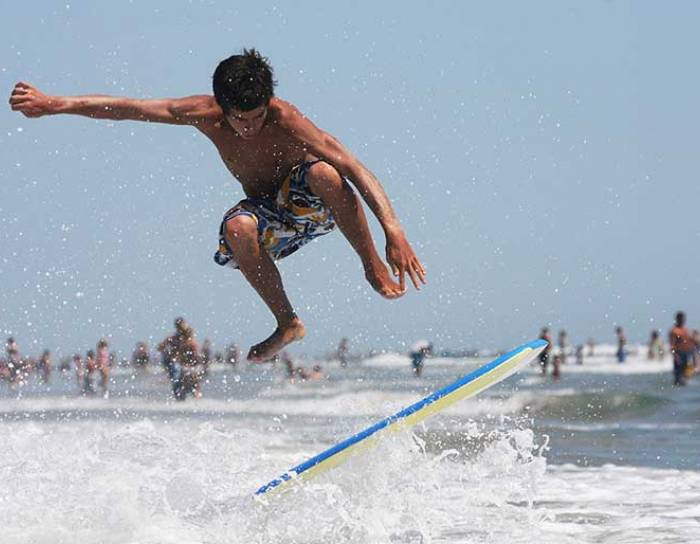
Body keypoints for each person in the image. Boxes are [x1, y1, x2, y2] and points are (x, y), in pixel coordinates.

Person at [9, 49, 426, 363]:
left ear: (269, 103)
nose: (248, 127)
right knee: (237, 227)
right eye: (239, 119)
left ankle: (370, 263)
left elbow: (352, 165)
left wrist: (394, 231)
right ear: (221, 107)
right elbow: (128, 109)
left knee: (325, 173)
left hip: (309, 206)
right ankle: (287, 322)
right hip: (267, 217)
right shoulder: (202, 114)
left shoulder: (288, 119)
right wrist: (57, 104)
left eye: (257, 116)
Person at [669, 311, 695, 386]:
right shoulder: (674, 331)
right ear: (677, 319)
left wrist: (694, 355)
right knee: (678, 375)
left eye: (684, 319)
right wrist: (675, 356)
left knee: (687, 374)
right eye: (681, 319)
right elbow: (672, 345)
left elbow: (691, 343)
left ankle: (684, 389)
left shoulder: (686, 330)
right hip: (679, 354)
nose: (683, 321)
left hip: (688, 353)